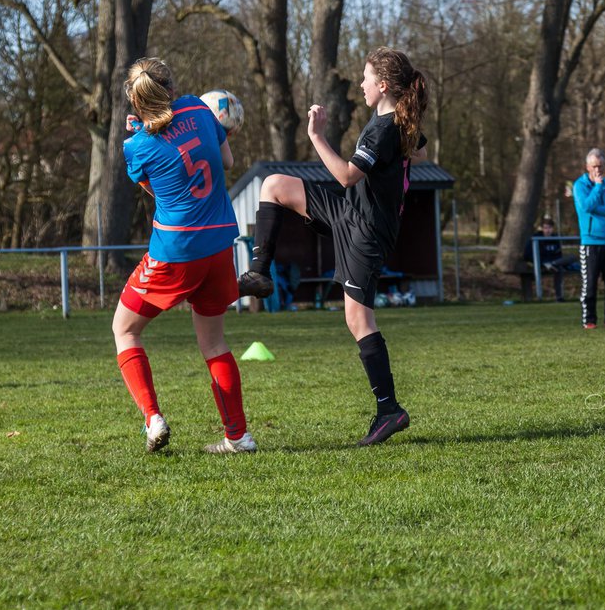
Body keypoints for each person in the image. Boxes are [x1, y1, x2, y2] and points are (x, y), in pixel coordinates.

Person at [236, 47, 427, 446]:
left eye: (366, 77)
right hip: (350, 215)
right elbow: (419, 147)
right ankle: (259, 273)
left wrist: (317, 137)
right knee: (274, 185)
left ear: (383, 85)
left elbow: (345, 176)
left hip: (365, 231)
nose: (361, 83)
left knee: (358, 321)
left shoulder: (384, 128)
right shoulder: (394, 122)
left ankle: (389, 410)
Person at [111, 57, 255, 455]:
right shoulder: (198, 107)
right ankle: (237, 437)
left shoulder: (136, 146)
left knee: (124, 330)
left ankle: (153, 418)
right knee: (214, 345)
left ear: (137, 103)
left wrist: (143, 131)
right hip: (219, 245)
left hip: (176, 251)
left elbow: (159, 191)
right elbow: (225, 163)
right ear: (171, 89)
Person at [572, 148, 605, 329]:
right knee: (590, 285)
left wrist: (599, 209)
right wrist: (597, 187)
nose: (598, 170)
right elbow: (586, 206)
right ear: (587, 166)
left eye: (600, 166)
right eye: (594, 166)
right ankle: (589, 320)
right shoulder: (580, 185)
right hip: (590, 243)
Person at [522, 216, 572, 302]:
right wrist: (543, 263)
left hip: (554, 264)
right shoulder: (535, 238)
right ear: (542, 228)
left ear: (553, 228)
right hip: (541, 264)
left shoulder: (556, 238)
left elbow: (558, 254)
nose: (548, 230)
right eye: (545, 228)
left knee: (570, 259)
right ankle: (552, 265)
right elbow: (527, 255)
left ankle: (559, 298)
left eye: (550, 228)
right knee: (558, 268)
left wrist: (554, 263)